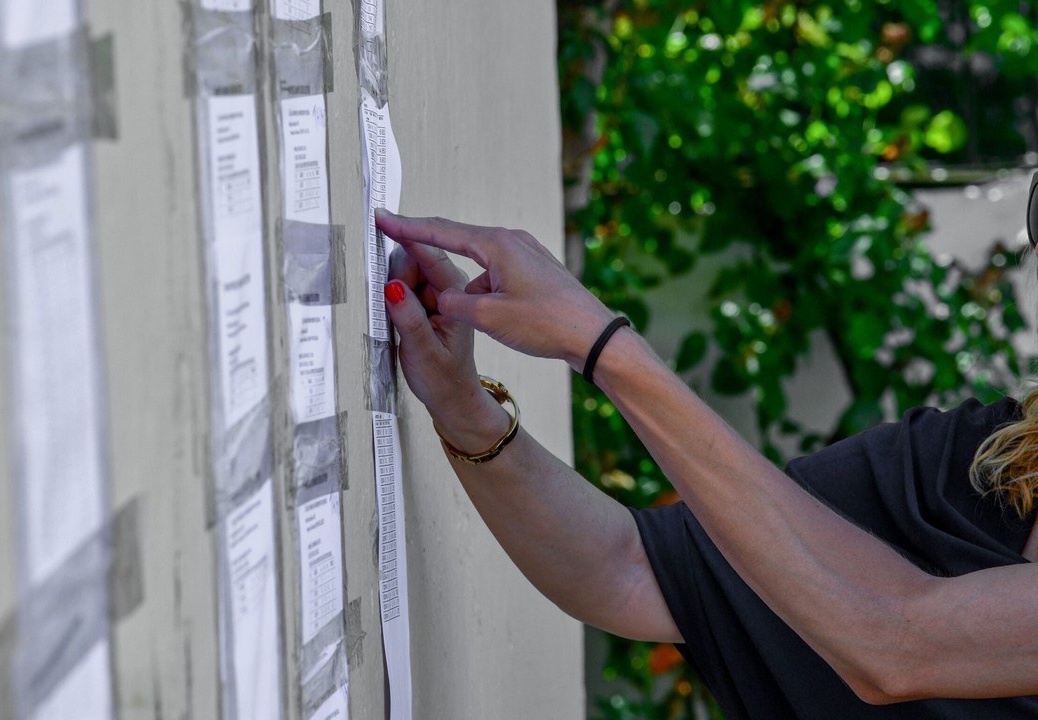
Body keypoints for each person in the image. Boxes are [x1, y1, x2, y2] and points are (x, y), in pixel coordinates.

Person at [374, 208, 1038, 719]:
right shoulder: (980, 462)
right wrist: (464, 408)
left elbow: (898, 645)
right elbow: (631, 571)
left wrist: (598, 342)